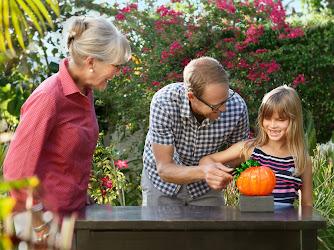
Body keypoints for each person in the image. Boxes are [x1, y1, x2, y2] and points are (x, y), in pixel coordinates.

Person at [3, 16, 131, 243]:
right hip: (41, 227)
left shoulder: (85, 93)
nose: (118, 73)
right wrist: (39, 224)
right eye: (116, 66)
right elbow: (16, 171)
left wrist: (80, 194)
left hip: (70, 220)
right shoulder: (49, 98)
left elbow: (63, 160)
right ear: (91, 62)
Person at [141, 56, 250, 206]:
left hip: (206, 187)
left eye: (225, 100)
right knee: (161, 229)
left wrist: (222, 173)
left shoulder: (237, 107)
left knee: (212, 229)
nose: (224, 108)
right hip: (161, 183)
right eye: (216, 105)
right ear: (192, 97)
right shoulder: (163, 102)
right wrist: (206, 170)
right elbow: (165, 168)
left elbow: (238, 156)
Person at [200, 85, 313, 206]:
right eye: (268, 118)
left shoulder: (301, 159)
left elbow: (307, 206)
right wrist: (216, 174)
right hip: (252, 222)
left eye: (280, 120)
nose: (272, 125)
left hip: (285, 224)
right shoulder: (249, 149)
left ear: (294, 121)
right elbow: (206, 160)